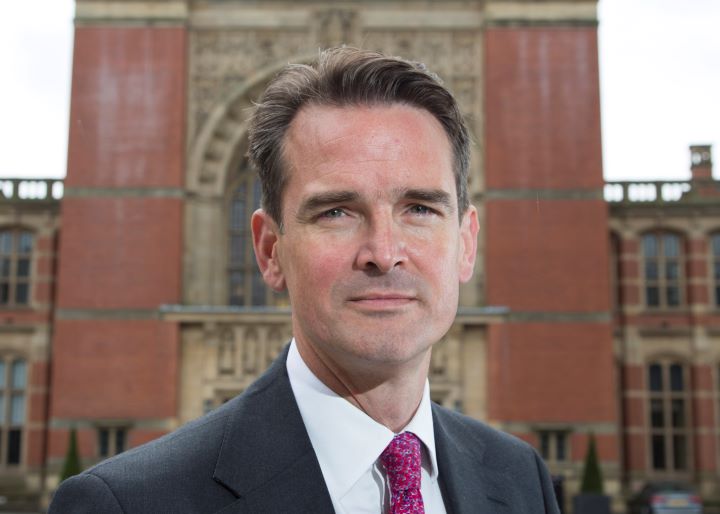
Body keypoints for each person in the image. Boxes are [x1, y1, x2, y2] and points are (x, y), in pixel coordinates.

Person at [49, 47, 560, 514]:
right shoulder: (126, 504)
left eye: (420, 208)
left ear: (466, 243)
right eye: (336, 212)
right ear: (270, 250)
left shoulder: (520, 480)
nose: (384, 254)